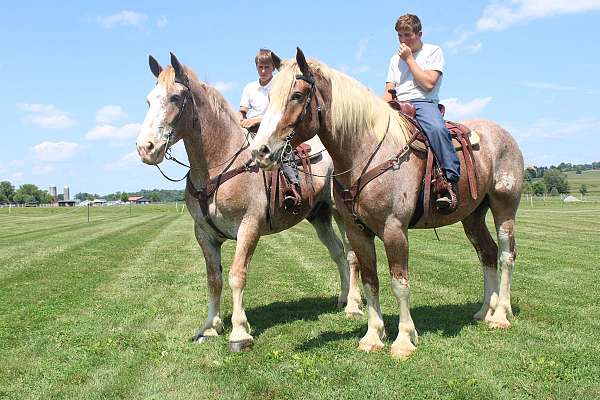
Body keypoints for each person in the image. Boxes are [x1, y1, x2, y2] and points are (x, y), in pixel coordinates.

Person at [383, 14, 461, 212]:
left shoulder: (433, 51)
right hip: (398, 104)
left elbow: (427, 84)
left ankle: (450, 179)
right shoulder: (394, 59)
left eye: (407, 35)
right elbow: (389, 89)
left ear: (419, 34)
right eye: (399, 35)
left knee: (436, 129)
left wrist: (409, 59)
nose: (403, 40)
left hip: (423, 102)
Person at [240, 49, 300, 211]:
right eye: (260, 67)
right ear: (256, 67)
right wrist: (242, 120)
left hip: (273, 128)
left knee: (283, 150)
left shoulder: (279, 85)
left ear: (273, 68)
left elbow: (280, 110)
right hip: (250, 129)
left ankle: (293, 186)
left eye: (267, 67)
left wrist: (258, 120)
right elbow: (242, 111)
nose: (263, 71)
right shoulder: (249, 88)